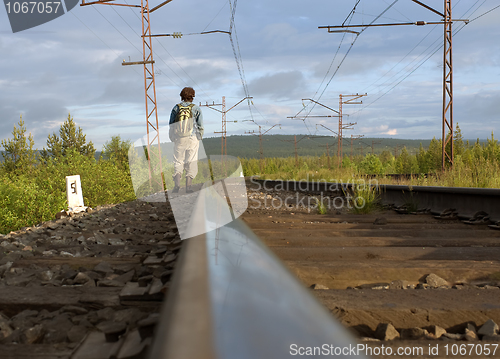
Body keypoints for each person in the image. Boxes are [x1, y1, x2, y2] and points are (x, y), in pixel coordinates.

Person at [169, 87, 204, 193]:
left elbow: (171, 124)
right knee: (191, 161)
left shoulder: (176, 108)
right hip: (192, 138)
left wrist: (172, 136)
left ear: (182, 96)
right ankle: (188, 187)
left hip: (180, 138)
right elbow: (200, 125)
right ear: (192, 96)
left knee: (178, 161)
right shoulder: (196, 108)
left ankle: (177, 186)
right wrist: (199, 137)